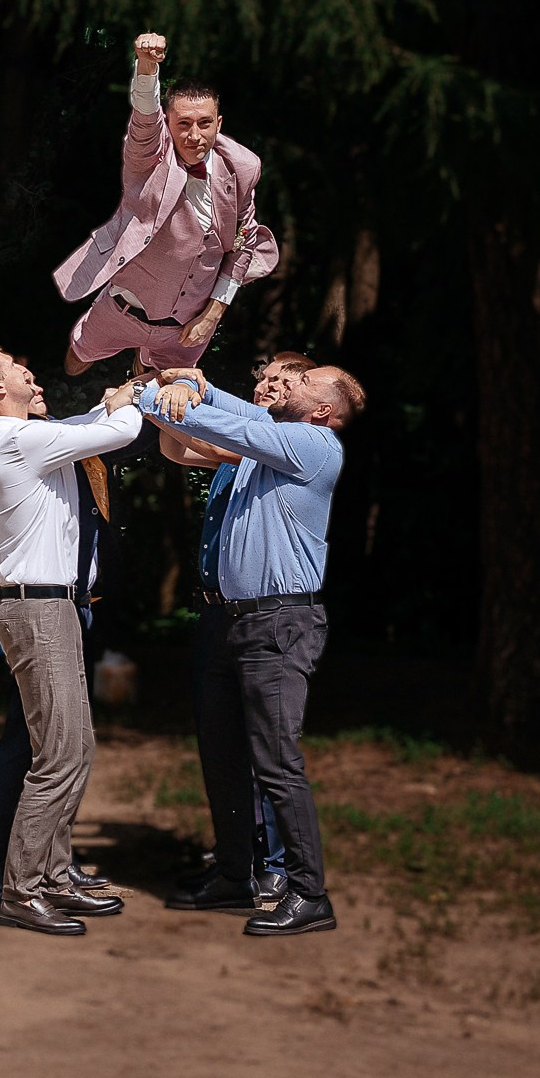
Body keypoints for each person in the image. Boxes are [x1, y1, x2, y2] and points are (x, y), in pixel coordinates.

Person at [142, 359, 364, 935]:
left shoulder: (312, 444)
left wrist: (143, 397)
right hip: (233, 622)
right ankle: (236, 875)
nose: (290, 380)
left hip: (278, 624)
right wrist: (199, 383)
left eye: (305, 380)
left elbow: (231, 428)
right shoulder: (274, 442)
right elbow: (237, 414)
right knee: (221, 753)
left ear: (322, 410)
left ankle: (309, 893)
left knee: (276, 762)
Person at [0, 344, 142, 936]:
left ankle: (53, 874)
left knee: (72, 747)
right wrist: (138, 392)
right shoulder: (12, 439)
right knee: (58, 754)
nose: (31, 373)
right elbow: (118, 429)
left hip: (51, 607)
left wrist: (120, 395)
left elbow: (87, 425)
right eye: (17, 370)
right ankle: (23, 888)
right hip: (39, 610)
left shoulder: (30, 436)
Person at [154, 350, 315, 907]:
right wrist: (162, 391)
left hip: (265, 615)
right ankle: (235, 868)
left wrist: (161, 395)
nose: (268, 384)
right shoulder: (241, 450)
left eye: (280, 379)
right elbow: (177, 448)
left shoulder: (280, 443)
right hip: (217, 613)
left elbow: (209, 429)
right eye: (264, 376)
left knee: (264, 744)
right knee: (220, 743)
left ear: (304, 395)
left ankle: (273, 868)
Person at [55, 32, 280, 374]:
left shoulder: (243, 168)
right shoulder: (149, 157)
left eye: (205, 124)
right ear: (169, 124)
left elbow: (242, 245)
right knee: (75, 364)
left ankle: (143, 361)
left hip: (188, 325)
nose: (194, 136)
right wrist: (147, 66)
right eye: (183, 124)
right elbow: (145, 119)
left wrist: (212, 315)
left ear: (218, 124)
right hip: (124, 306)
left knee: (162, 399)